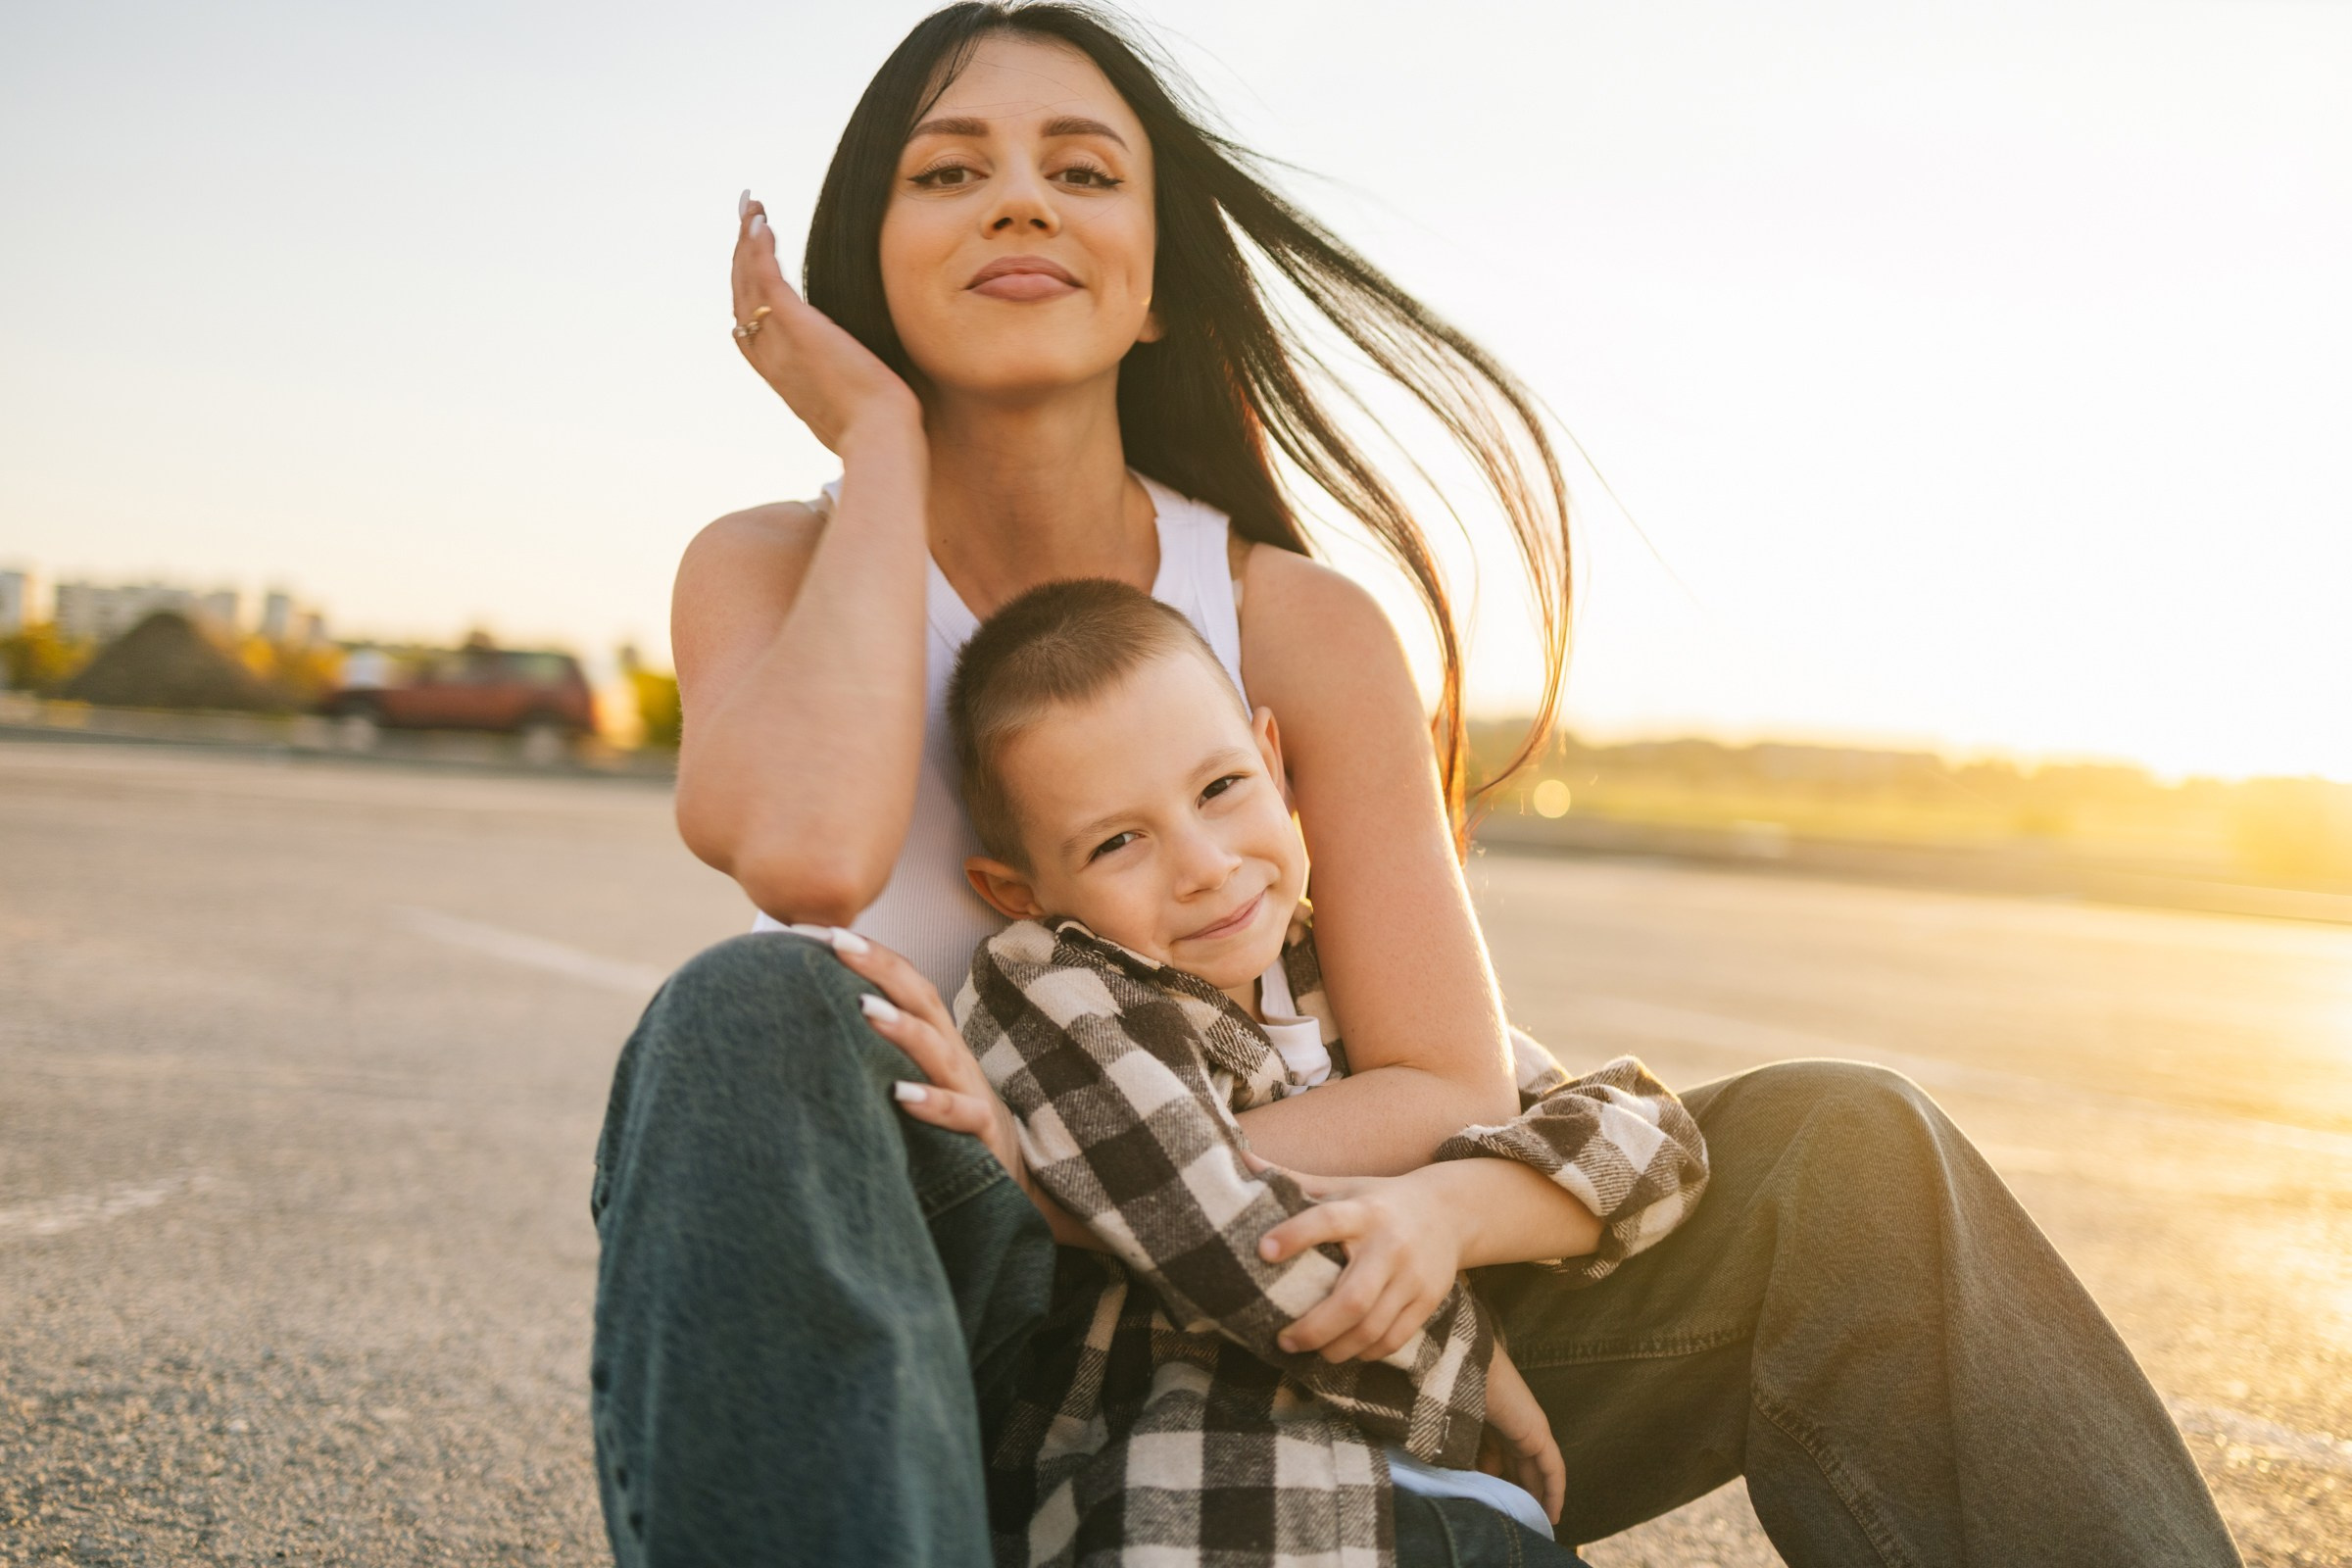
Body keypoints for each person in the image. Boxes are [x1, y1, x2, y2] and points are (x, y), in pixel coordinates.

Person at [588, 5, 2245, 1565]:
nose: (1019, 203)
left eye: (1082, 172)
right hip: (954, 1322)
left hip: (1336, 1275)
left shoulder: (1292, 620)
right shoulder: (767, 565)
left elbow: (1440, 1073)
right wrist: (877, 446)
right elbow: (807, 860)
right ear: (863, 266)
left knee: (1853, 1153)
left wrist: (1178, 1197)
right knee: (747, 1015)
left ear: (1159, 282)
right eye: (950, 172)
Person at [859, 573, 1707, 1561]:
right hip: (1211, 1495)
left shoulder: (1333, 967)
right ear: (1019, 890)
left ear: (1273, 758)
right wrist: (1473, 1358)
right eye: (1119, 841)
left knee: (1833, 1135)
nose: (1208, 864)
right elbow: (1218, 1227)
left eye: (1221, 789)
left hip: (1432, 1487)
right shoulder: (1049, 988)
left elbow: (1644, 1130)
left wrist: (1452, 1210)